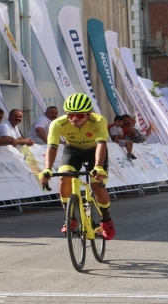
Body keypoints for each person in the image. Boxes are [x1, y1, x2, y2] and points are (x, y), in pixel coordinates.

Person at [38, 93, 115, 240]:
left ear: (88, 114)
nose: (74, 119)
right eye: (70, 115)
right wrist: (47, 168)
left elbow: (101, 145)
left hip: (94, 152)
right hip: (73, 151)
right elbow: (52, 147)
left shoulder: (98, 121)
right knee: (64, 177)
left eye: (79, 116)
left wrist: (98, 167)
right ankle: (70, 218)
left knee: (97, 186)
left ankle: (106, 220)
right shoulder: (58, 123)